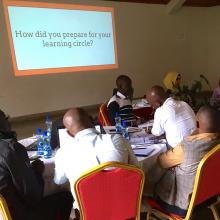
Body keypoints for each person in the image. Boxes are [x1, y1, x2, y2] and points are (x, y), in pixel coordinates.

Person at [54, 108, 138, 208]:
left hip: (89, 212)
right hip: (125, 208)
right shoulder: (117, 140)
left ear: (68, 133)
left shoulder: (63, 153)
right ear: (92, 119)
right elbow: (136, 170)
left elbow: (59, 181)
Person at [0, 110, 73, 220]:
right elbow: (33, 196)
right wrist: (37, 172)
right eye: (6, 119)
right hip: (18, 215)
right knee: (65, 197)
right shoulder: (11, 149)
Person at [153, 105, 220, 216]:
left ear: (197, 124)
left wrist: (189, 138)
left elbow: (161, 161)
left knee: (151, 182)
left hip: (183, 203)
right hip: (210, 195)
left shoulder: (186, 147)